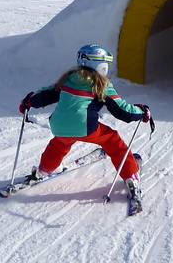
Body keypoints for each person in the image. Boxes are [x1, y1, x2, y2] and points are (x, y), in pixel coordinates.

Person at [18, 45, 151, 201]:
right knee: (112, 141)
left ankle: (43, 170)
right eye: (105, 63)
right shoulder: (101, 84)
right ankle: (131, 176)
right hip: (86, 126)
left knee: (59, 143)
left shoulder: (68, 79)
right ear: (99, 65)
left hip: (58, 124)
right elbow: (123, 111)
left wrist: (28, 102)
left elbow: (44, 95)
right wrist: (141, 112)